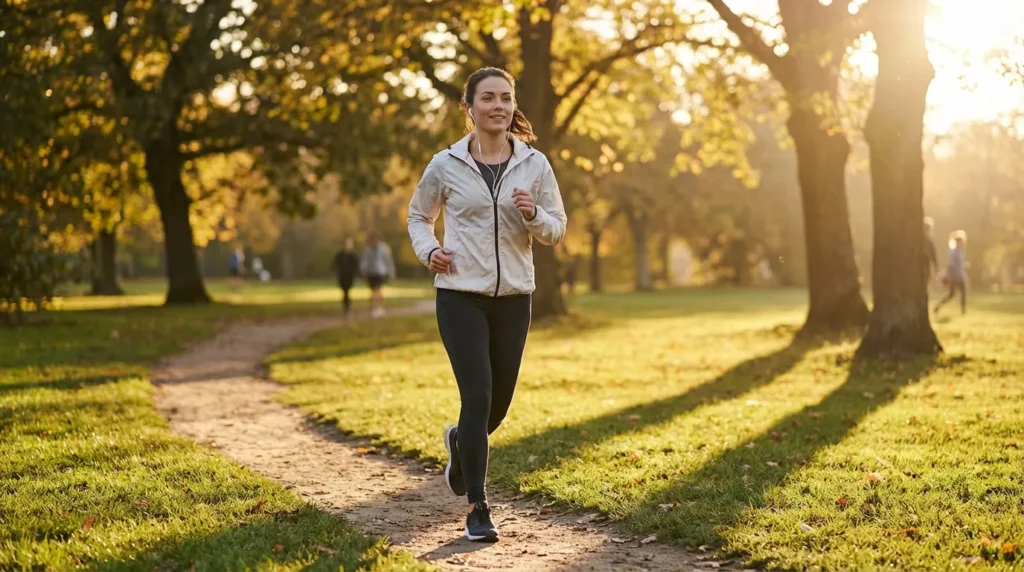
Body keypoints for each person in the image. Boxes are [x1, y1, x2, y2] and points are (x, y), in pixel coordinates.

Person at [406, 67, 567, 543]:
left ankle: (459, 440)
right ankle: (478, 506)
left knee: (496, 407)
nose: (498, 106)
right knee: (476, 395)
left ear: (513, 106)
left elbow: (558, 228)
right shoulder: (445, 164)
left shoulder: (534, 165)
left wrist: (534, 214)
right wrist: (428, 250)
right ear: (470, 107)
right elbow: (419, 215)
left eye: (506, 98)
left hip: (514, 298)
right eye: (489, 98)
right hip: (459, 295)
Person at [360, 232, 396, 318]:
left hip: (380, 272)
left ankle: (380, 308)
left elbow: (388, 261)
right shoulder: (368, 249)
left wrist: (391, 272)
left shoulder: (384, 248)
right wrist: (363, 270)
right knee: (373, 291)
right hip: (371, 273)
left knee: (377, 290)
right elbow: (365, 260)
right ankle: (374, 308)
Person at [935, 229, 968, 315]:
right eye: (960, 242)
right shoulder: (953, 252)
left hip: (960, 275)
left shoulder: (960, 252)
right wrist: (948, 276)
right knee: (952, 295)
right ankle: (938, 306)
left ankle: (963, 310)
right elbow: (950, 264)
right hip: (954, 277)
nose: (961, 243)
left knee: (962, 293)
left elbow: (959, 264)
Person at [331, 237, 360, 315]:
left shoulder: (353, 255)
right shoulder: (339, 255)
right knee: (345, 291)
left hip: (350, 276)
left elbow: (356, 266)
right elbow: (335, 265)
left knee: (347, 291)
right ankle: (346, 306)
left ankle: (347, 306)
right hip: (342, 276)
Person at [923, 217, 938, 296]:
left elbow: (933, 254)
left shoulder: (929, 241)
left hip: (925, 264)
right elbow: (933, 255)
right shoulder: (921, 241)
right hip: (921, 265)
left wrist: (936, 266)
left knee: (926, 281)